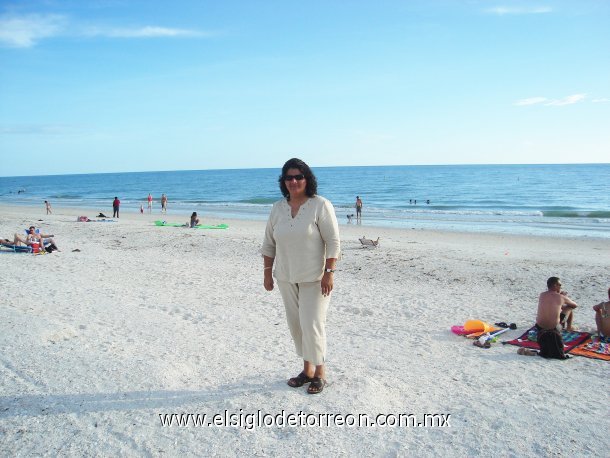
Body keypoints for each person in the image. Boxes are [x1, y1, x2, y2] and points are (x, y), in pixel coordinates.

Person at [262, 158, 340, 394]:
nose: (294, 181)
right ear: (283, 181)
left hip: (315, 278)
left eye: (298, 176)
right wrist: (267, 274)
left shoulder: (320, 205)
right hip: (286, 277)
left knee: (313, 324)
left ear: (307, 179)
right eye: (289, 177)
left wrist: (329, 273)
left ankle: (320, 373)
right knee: (296, 326)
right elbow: (268, 243)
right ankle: (306, 371)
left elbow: (333, 242)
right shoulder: (277, 208)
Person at [519, 277, 578, 359]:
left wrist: (560, 297)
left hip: (539, 327)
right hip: (554, 328)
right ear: (555, 285)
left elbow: (552, 303)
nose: (560, 287)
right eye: (559, 285)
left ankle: (568, 326)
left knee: (559, 307)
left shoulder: (542, 295)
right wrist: (563, 296)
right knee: (569, 308)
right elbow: (575, 305)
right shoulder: (560, 297)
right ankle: (569, 327)